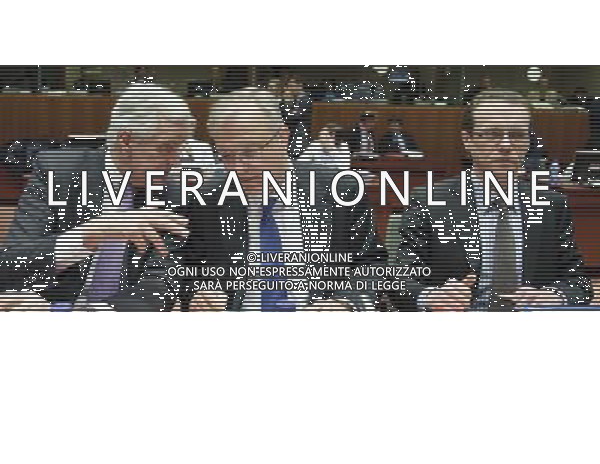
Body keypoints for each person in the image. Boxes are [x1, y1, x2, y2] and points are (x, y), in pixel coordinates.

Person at [0, 86, 217, 311]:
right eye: (167, 148)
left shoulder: (176, 191)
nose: (176, 161)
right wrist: (89, 234)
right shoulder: (59, 171)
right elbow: (10, 262)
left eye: (181, 149)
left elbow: (160, 286)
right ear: (125, 141)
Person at [175, 88, 386, 312]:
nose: (238, 168)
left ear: (283, 137)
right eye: (226, 155)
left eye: (250, 152)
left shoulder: (340, 189)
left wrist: (347, 303)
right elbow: (178, 269)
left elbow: (372, 264)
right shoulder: (205, 199)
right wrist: (196, 293)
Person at [390, 89, 592, 312]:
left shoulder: (552, 205)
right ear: (468, 140)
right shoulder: (431, 201)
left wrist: (555, 296)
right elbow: (399, 279)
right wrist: (431, 297)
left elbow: (579, 283)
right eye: (493, 134)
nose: (506, 145)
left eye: (516, 135)